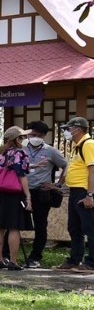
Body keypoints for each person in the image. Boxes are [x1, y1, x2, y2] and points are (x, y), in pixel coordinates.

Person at [0, 126, 32, 270]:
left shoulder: (1, 153)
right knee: (14, 227)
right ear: (17, 139)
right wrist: (28, 195)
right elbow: (22, 175)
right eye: (22, 137)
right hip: (14, 193)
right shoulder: (20, 153)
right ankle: (13, 261)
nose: (24, 140)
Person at [22, 121, 67, 268]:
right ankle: (8, 254)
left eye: (39, 136)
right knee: (13, 223)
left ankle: (35, 257)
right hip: (21, 191)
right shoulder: (21, 148)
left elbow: (66, 165)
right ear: (28, 134)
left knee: (40, 225)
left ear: (44, 136)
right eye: (33, 134)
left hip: (41, 192)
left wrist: (57, 184)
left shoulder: (51, 151)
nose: (35, 138)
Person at [59, 116, 94, 272]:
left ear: (78, 129)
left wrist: (90, 195)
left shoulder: (88, 144)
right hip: (74, 190)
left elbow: (93, 171)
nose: (67, 132)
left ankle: (92, 263)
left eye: (69, 129)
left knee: (90, 227)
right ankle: (74, 260)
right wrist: (61, 185)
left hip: (85, 191)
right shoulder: (76, 146)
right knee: (74, 227)